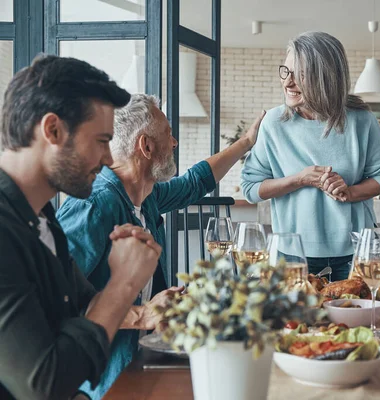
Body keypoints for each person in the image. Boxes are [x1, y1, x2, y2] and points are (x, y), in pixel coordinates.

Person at [56, 93, 264, 399]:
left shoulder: (144, 195)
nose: (175, 142)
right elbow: (54, 304)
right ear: (146, 146)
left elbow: (196, 182)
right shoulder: (93, 208)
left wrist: (247, 141)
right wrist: (142, 314)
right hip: (103, 382)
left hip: (142, 360)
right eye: (168, 133)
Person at [0, 55, 162, 400]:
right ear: (53, 130)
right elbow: (43, 385)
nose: (108, 159)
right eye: (102, 141)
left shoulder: (42, 217)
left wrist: (145, 310)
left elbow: (85, 306)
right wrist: (125, 281)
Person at [241, 31, 380, 281]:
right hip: (292, 255)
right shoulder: (273, 123)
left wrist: (351, 191)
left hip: (355, 251)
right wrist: (298, 179)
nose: (288, 83)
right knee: (295, 321)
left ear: (326, 78)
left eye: (301, 75)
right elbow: (251, 188)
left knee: (356, 319)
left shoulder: (361, 121)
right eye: (286, 71)